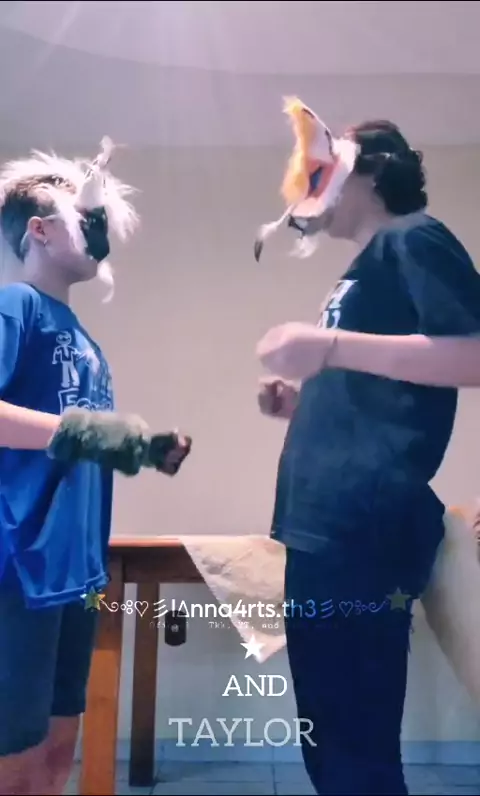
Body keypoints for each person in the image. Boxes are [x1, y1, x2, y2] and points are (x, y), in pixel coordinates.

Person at [256, 102, 480, 796]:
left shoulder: (416, 237)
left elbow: (473, 353)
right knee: (332, 739)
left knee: (353, 746)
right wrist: (304, 402)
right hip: (325, 526)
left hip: (361, 527)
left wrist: (327, 347)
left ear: (371, 174)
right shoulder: (365, 268)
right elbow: (385, 386)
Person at [0, 140, 191, 795]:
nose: (100, 233)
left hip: (77, 573)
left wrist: (136, 447)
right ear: (40, 230)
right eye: (86, 219)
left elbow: (74, 446)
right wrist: (92, 433)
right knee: (14, 763)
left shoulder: (84, 340)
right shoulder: (15, 306)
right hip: (17, 570)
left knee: (58, 756)